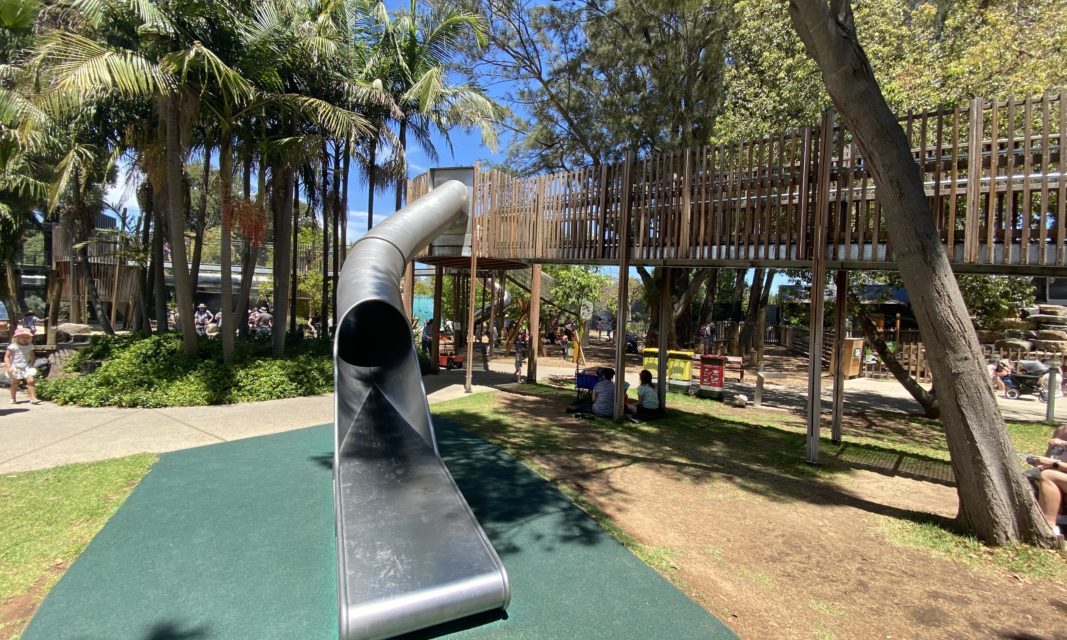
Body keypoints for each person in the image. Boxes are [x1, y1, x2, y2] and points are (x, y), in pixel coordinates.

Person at [1025, 425, 1067, 536]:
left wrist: (1053, 464)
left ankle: (1049, 527)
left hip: (1058, 475)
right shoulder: (1061, 430)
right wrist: (1041, 462)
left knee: (1048, 475)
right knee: (1027, 477)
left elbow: (1053, 462)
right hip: (1060, 476)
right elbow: (1051, 457)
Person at [5, 327, 39, 405]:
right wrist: (8, 367)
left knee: (31, 381)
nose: (25, 339)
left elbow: (32, 355)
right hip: (16, 366)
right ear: (17, 338)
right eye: (22, 337)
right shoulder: (13, 346)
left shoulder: (30, 345)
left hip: (27, 366)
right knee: (15, 382)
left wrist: (32, 364)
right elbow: (7, 357)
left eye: (27, 337)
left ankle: (33, 398)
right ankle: (13, 397)